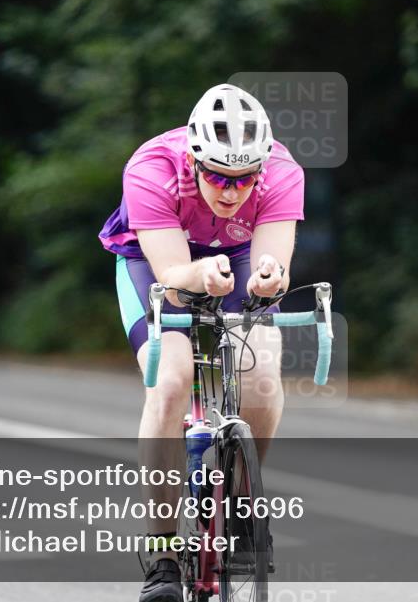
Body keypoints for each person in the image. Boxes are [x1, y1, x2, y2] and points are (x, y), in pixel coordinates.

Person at [99, 84, 304, 602]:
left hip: (235, 254)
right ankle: (163, 552)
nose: (230, 190)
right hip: (156, 258)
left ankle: (240, 508)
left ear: (262, 167)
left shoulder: (283, 171)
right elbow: (171, 274)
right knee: (169, 384)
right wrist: (197, 276)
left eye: (243, 179)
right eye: (216, 176)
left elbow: (274, 268)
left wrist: (265, 281)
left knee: (259, 374)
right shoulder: (151, 168)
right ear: (193, 160)